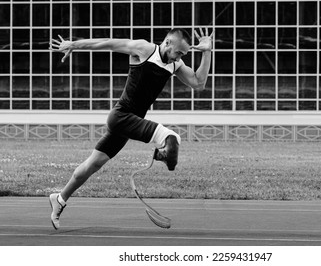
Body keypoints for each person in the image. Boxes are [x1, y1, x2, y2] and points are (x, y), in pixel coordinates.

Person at [48, 28, 213, 230]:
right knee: (171, 138)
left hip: (129, 122)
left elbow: (199, 82)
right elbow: (107, 42)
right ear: (168, 42)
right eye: (179, 52)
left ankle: (60, 198)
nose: (180, 57)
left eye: (183, 55)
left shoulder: (175, 64)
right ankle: (161, 154)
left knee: (93, 164)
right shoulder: (144, 49)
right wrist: (74, 44)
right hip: (121, 116)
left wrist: (207, 52)